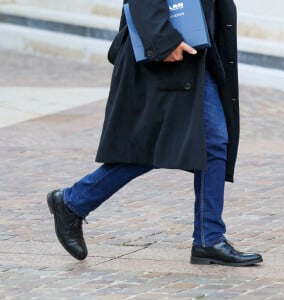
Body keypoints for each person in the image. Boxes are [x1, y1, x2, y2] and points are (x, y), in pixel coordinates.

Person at [47, 0, 263, 266]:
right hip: (168, 46)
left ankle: (209, 238)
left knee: (212, 142)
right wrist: (163, 40)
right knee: (155, 144)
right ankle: (73, 202)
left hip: (196, 45)